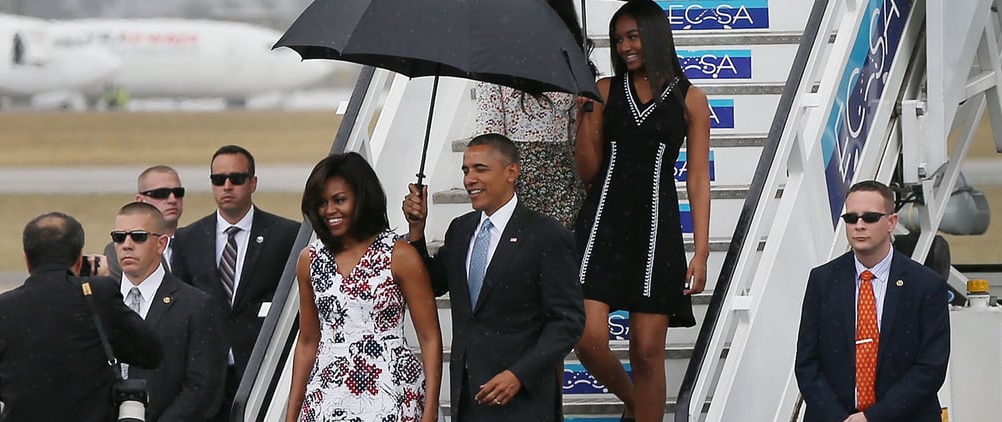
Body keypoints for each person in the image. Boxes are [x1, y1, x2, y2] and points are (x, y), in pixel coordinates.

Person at [572, 0, 712, 420]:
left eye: (633, 36)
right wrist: (583, 114)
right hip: (602, 223)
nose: (625, 47)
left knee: (648, 352)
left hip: (658, 227)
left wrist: (701, 250)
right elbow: (588, 169)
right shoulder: (605, 90)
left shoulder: (691, 99)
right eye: (618, 40)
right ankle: (639, 407)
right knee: (588, 337)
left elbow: (698, 179)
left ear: (654, 36)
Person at [402, 133, 586, 421]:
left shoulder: (547, 236)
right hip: (469, 397)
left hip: (524, 400)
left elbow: (568, 321)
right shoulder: (460, 230)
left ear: (512, 172)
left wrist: (518, 375)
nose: (469, 179)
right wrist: (416, 232)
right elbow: (433, 284)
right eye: (465, 170)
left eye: (480, 169)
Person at [286, 152, 442, 422]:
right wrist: (292, 415)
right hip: (327, 396)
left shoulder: (400, 255)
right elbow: (308, 341)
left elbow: (430, 338)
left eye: (339, 200)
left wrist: (429, 411)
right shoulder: (309, 260)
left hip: (394, 394)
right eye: (322, 203)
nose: (329, 211)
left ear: (362, 198)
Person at [0, 212, 162, 422]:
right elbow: (150, 352)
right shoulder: (96, 295)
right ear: (79, 258)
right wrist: (100, 284)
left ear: (26, 259)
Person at [795, 181, 950, 422]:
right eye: (851, 218)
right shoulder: (822, 281)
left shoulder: (926, 285)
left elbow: (931, 367)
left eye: (870, 217)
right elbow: (807, 363)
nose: (859, 225)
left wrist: (872, 417)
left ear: (891, 222)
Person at [173, 145, 301, 419]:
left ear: (253, 183)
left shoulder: (287, 235)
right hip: (206, 376)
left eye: (237, 178)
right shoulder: (188, 239)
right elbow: (179, 306)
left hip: (263, 372)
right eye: (219, 180)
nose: (227, 186)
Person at [473, 0, 592, 228]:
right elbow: (489, 138)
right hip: (513, 182)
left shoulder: (573, 65)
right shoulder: (496, 66)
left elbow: (581, 140)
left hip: (565, 186)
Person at [112, 201, 228, 421]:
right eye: (119, 237)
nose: (126, 244)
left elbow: (202, 387)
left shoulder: (196, 306)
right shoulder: (98, 304)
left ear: (161, 243)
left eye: (138, 236)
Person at [104, 165, 187, 279]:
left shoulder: (195, 243)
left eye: (178, 192)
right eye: (161, 194)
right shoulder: (120, 250)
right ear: (140, 200)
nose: (172, 200)